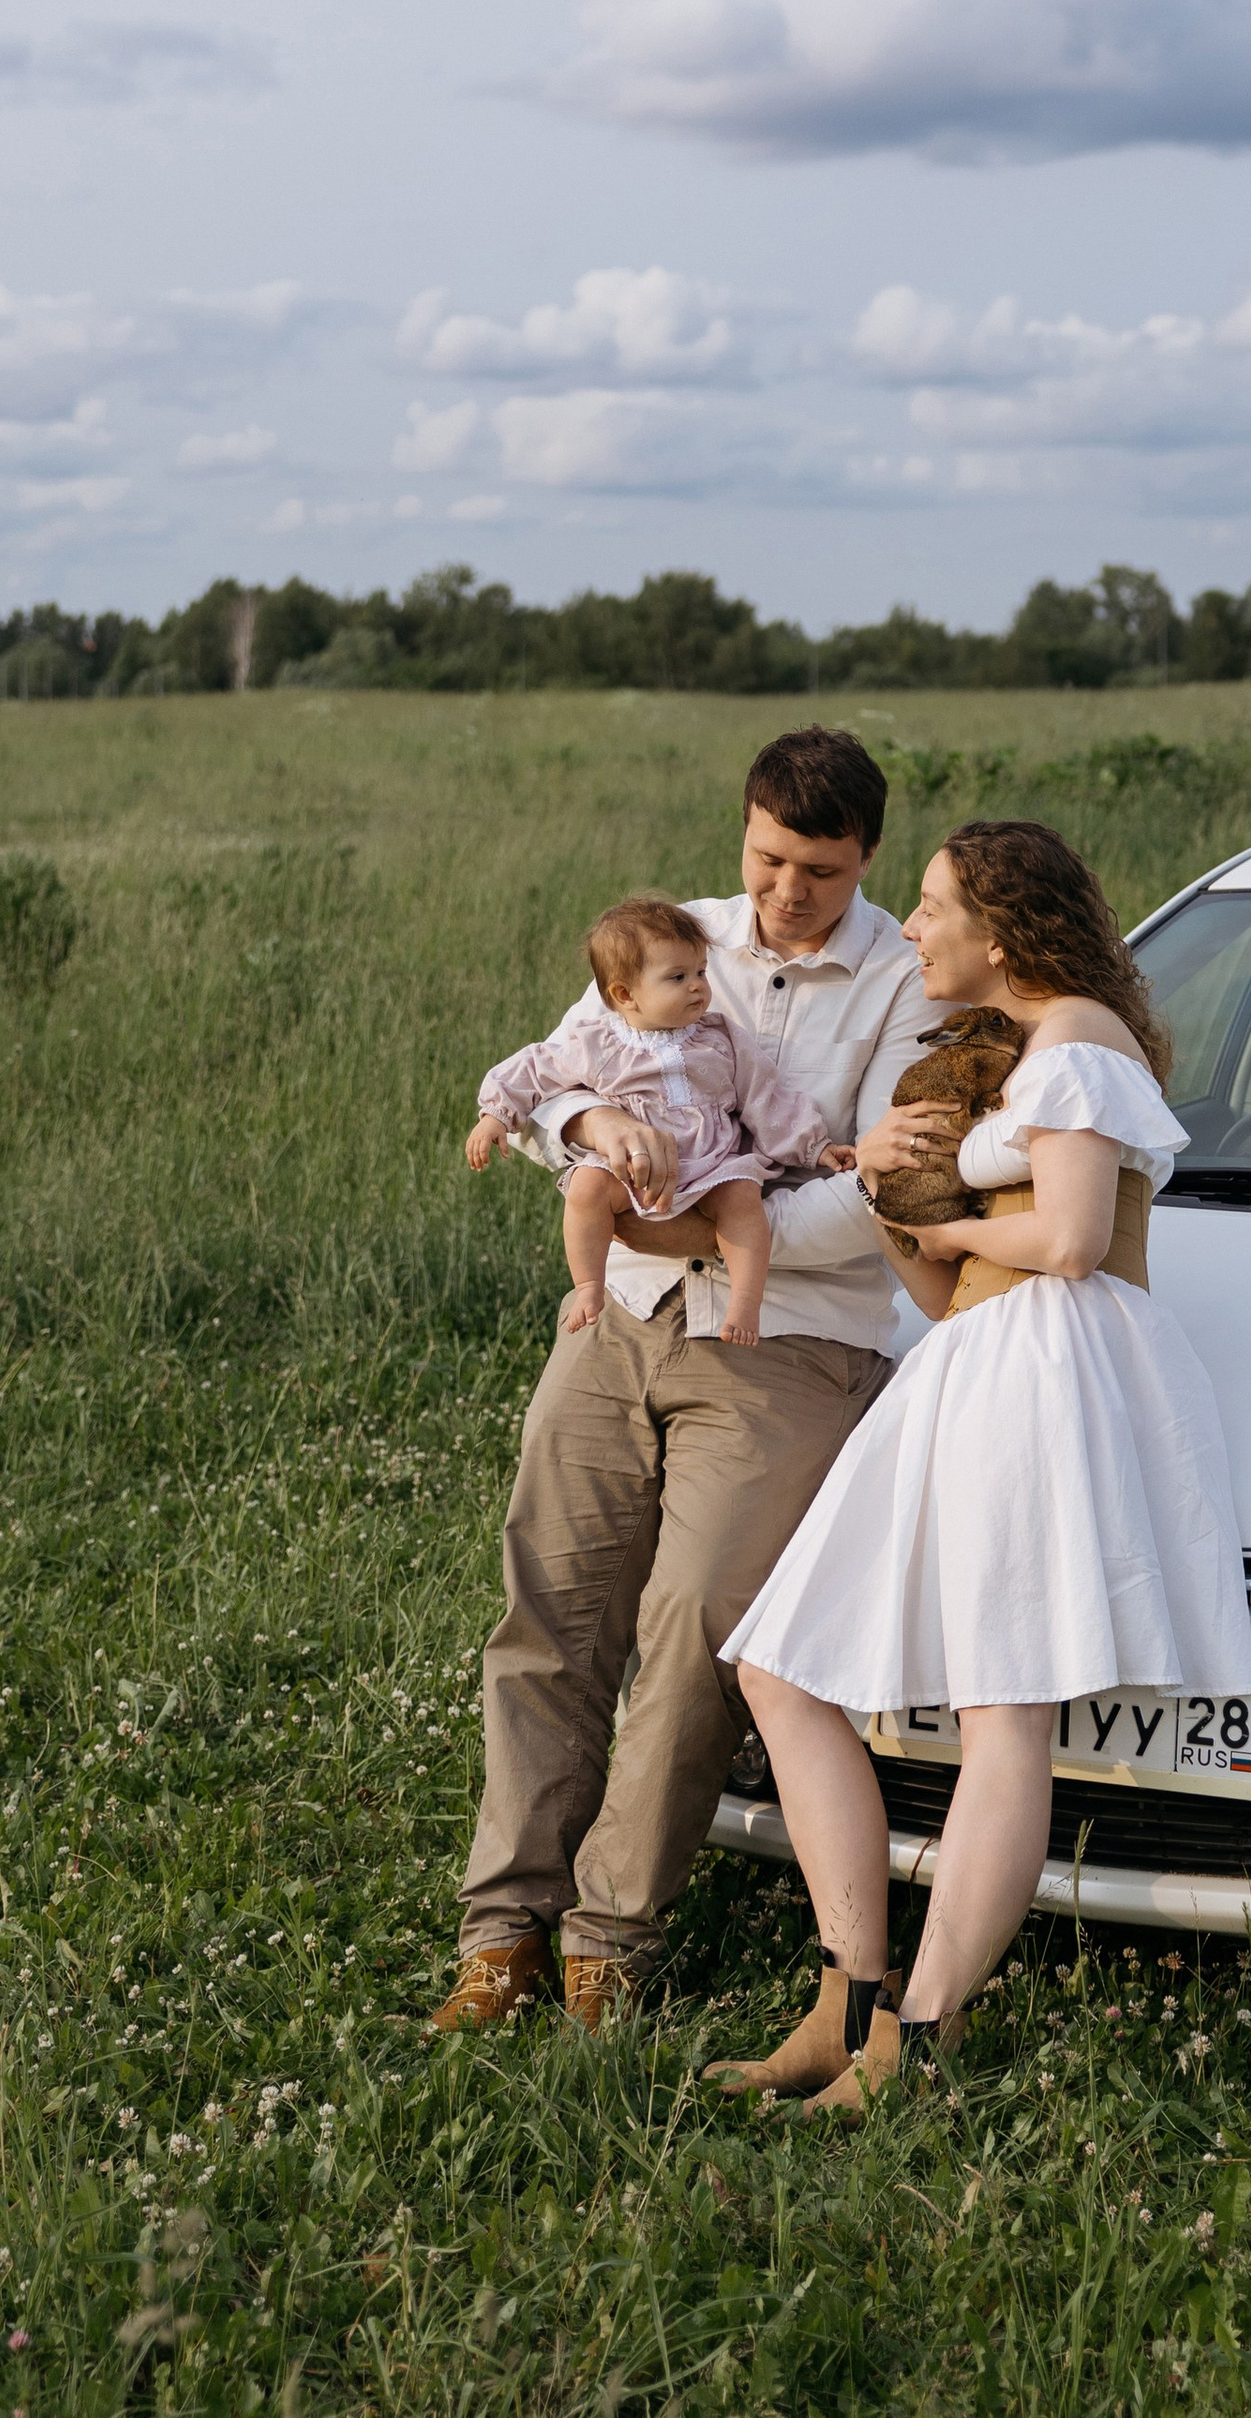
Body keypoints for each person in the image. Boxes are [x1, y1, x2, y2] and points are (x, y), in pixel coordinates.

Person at [715, 817, 1251, 2114]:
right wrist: (889, 1187)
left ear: (1002, 931)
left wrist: (947, 1196)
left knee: (1003, 1710)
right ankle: (849, 1998)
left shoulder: (1080, 1040)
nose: (913, 926)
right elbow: (943, 1274)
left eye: (934, 904)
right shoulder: (1005, 1059)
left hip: (1045, 1363)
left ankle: (923, 2031)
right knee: (777, 1665)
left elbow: (1069, 1234)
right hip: (970, 1353)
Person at [433, 728, 938, 2037]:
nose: (784, 896)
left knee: (696, 1623)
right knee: (550, 1605)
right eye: (768, 859)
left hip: (796, 1342)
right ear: (746, 830)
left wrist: (667, 1220)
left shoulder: (904, 984)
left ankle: (610, 1938)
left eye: (819, 873)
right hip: (626, 1319)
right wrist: (588, 1129)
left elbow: (868, 1198)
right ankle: (503, 1931)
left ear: (864, 859)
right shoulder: (675, 935)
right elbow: (551, 1086)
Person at [469, 896, 840, 1346]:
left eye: (701, 972)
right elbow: (535, 1067)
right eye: (678, 978)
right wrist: (496, 1113)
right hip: (632, 1169)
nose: (698, 987)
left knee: (743, 1201)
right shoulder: (599, 1043)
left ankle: (745, 1301)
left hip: (712, 1160)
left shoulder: (720, 1038)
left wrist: (814, 1146)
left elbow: (766, 1096)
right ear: (625, 995)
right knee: (586, 1188)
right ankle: (588, 1284)